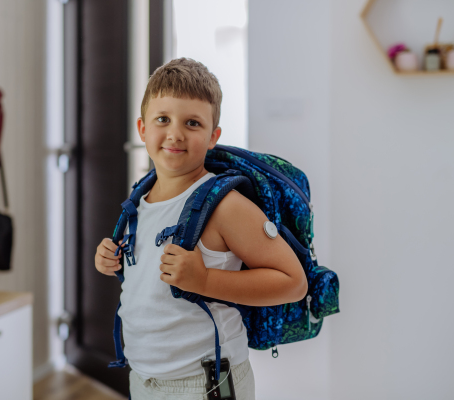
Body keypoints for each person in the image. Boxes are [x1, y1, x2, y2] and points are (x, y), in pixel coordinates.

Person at [94, 58, 307, 399]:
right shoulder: (140, 198)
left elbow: (293, 283)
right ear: (143, 129)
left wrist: (205, 280)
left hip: (205, 385)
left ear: (213, 137)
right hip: (144, 379)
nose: (175, 133)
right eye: (163, 119)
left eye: (192, 123)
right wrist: (109, 258)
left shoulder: (226, 207)